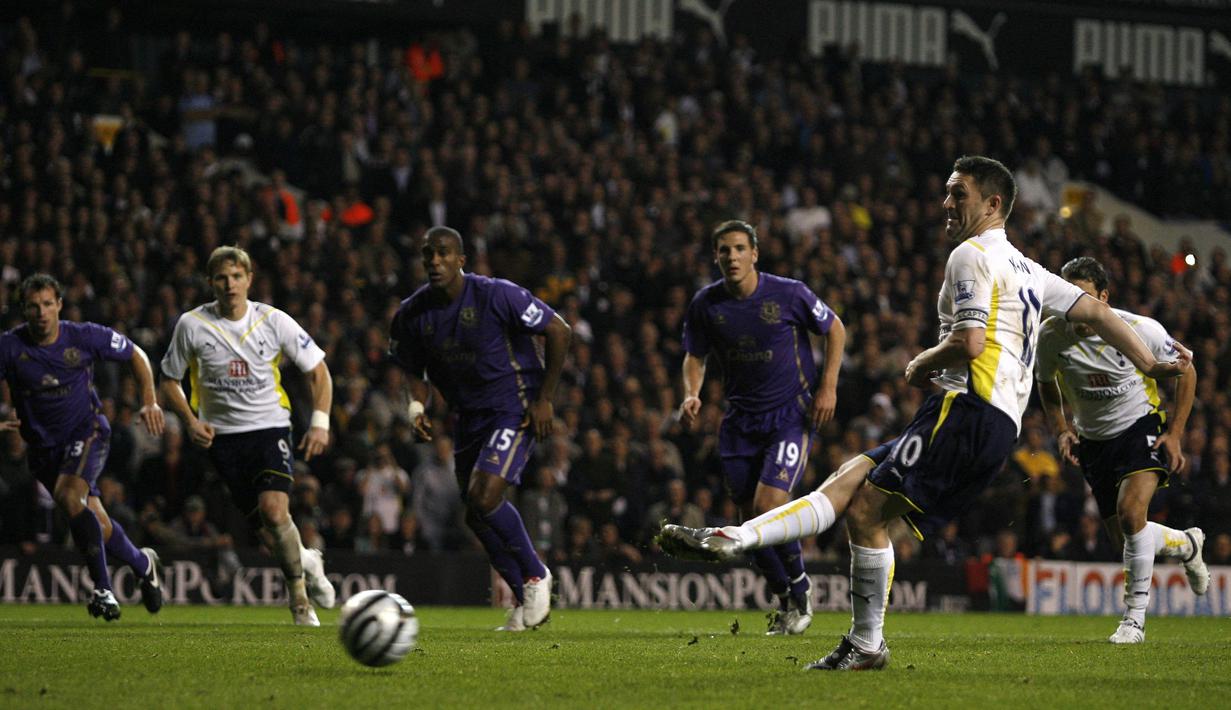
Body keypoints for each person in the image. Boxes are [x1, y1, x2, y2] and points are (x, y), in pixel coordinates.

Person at [660, 156, 1189, 669]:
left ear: (993, 203)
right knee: (850, 479)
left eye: (959, 193)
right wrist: (1149, 362)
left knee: (866, 513)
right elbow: (1097, 310)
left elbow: (970, 342)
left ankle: (863, 641)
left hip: (969, 409)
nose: (947, 202)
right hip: (992, 422)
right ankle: (735, 539)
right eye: (947, 192)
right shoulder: (1029, 268)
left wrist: (920, 363)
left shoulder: (970, 255)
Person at [388, 226, 571, 631]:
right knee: (475, 515)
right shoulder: (412, 313)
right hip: (468, 418)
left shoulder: (496, 294)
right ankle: (525, 602)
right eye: (428, 254)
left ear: (461, 260)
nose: (435, 261)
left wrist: (544, 398)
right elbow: (412, 369)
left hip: (514, 408)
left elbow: (559, 330)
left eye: (443, 253)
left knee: (484, 497)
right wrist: (417, 406)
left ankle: (536, 574)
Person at [678, 219, 846, 636]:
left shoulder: (789, 293)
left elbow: (834, 328)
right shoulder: (706, 304)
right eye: (724, 250)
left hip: (790, 416)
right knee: (747, 525)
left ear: (755, 253)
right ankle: (784, 597)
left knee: (769, 505)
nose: (732, 257)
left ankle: (801, 590)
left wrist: (828, 387)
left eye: (739, 248)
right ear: (716, 257)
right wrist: (691, 393)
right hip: (739, 423)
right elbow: (695, 356)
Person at [159, 246, 336, 625]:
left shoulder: (273, 320)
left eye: (237, 276)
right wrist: (190, 422)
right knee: (271, 536)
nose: (230, 284)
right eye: (222, 278)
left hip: (269, 428)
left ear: (249, 280)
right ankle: (308, 562)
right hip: (222, 440)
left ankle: (299, 601)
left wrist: (320, 422)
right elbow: (169, 381)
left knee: (275, 511)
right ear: (211, 282)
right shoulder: (192, 325)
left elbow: (318, 371)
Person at [1035, 256, 1207, 643]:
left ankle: (1134, 621)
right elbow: (1046, 383)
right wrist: (1061, 430)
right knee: (1126, 540)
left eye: (1083, 295)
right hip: (1093, 443)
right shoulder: (1051, 335)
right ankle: (1187, 544)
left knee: (1132, 515)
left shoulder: (1140, 329)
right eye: (1068, 295)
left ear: (1103, 298)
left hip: (1139, 428)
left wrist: (1175, 434)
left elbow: (1188, 370)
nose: (1074, 304)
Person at [0, 274, 166, 621]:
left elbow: (136, 354)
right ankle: (142, 563)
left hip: (87, 432)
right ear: (24, 310)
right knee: (95, 522)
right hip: (43, 450)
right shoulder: (10, 347)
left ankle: (103, 589)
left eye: (48, 304)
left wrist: (149, 400)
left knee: (69, 497)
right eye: (33, 306)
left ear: (59, 305)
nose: (41, 313)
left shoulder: (83, 336)